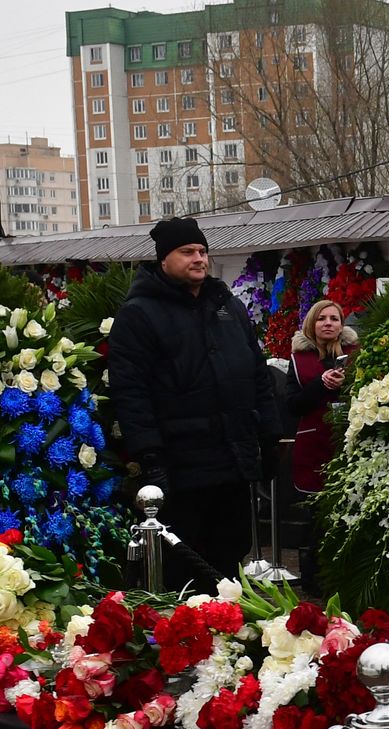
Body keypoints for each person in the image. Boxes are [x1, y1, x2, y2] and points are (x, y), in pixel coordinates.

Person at [107, 217, 280, 582]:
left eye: (202, 251)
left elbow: (257, 373)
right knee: (183, 566)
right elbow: (131, 392)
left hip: (232, 461)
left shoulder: (228, 307)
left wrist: (269, 434)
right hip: (180, 468)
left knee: (230, 556)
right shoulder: (139, 314)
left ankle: (227, 618)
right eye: (187, 252)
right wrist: (150, 456)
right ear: (163, 259)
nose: (199, 258)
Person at [285, 299, 355, 497]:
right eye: (321, 318)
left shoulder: (355, 354)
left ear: (341, 325)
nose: (328, 323)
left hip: (350, 442)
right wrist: (320, 384)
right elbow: (293, 406)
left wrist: (346, 384)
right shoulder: (298, 359)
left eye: (334, 319)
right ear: (311, 324)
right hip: (314, 446)